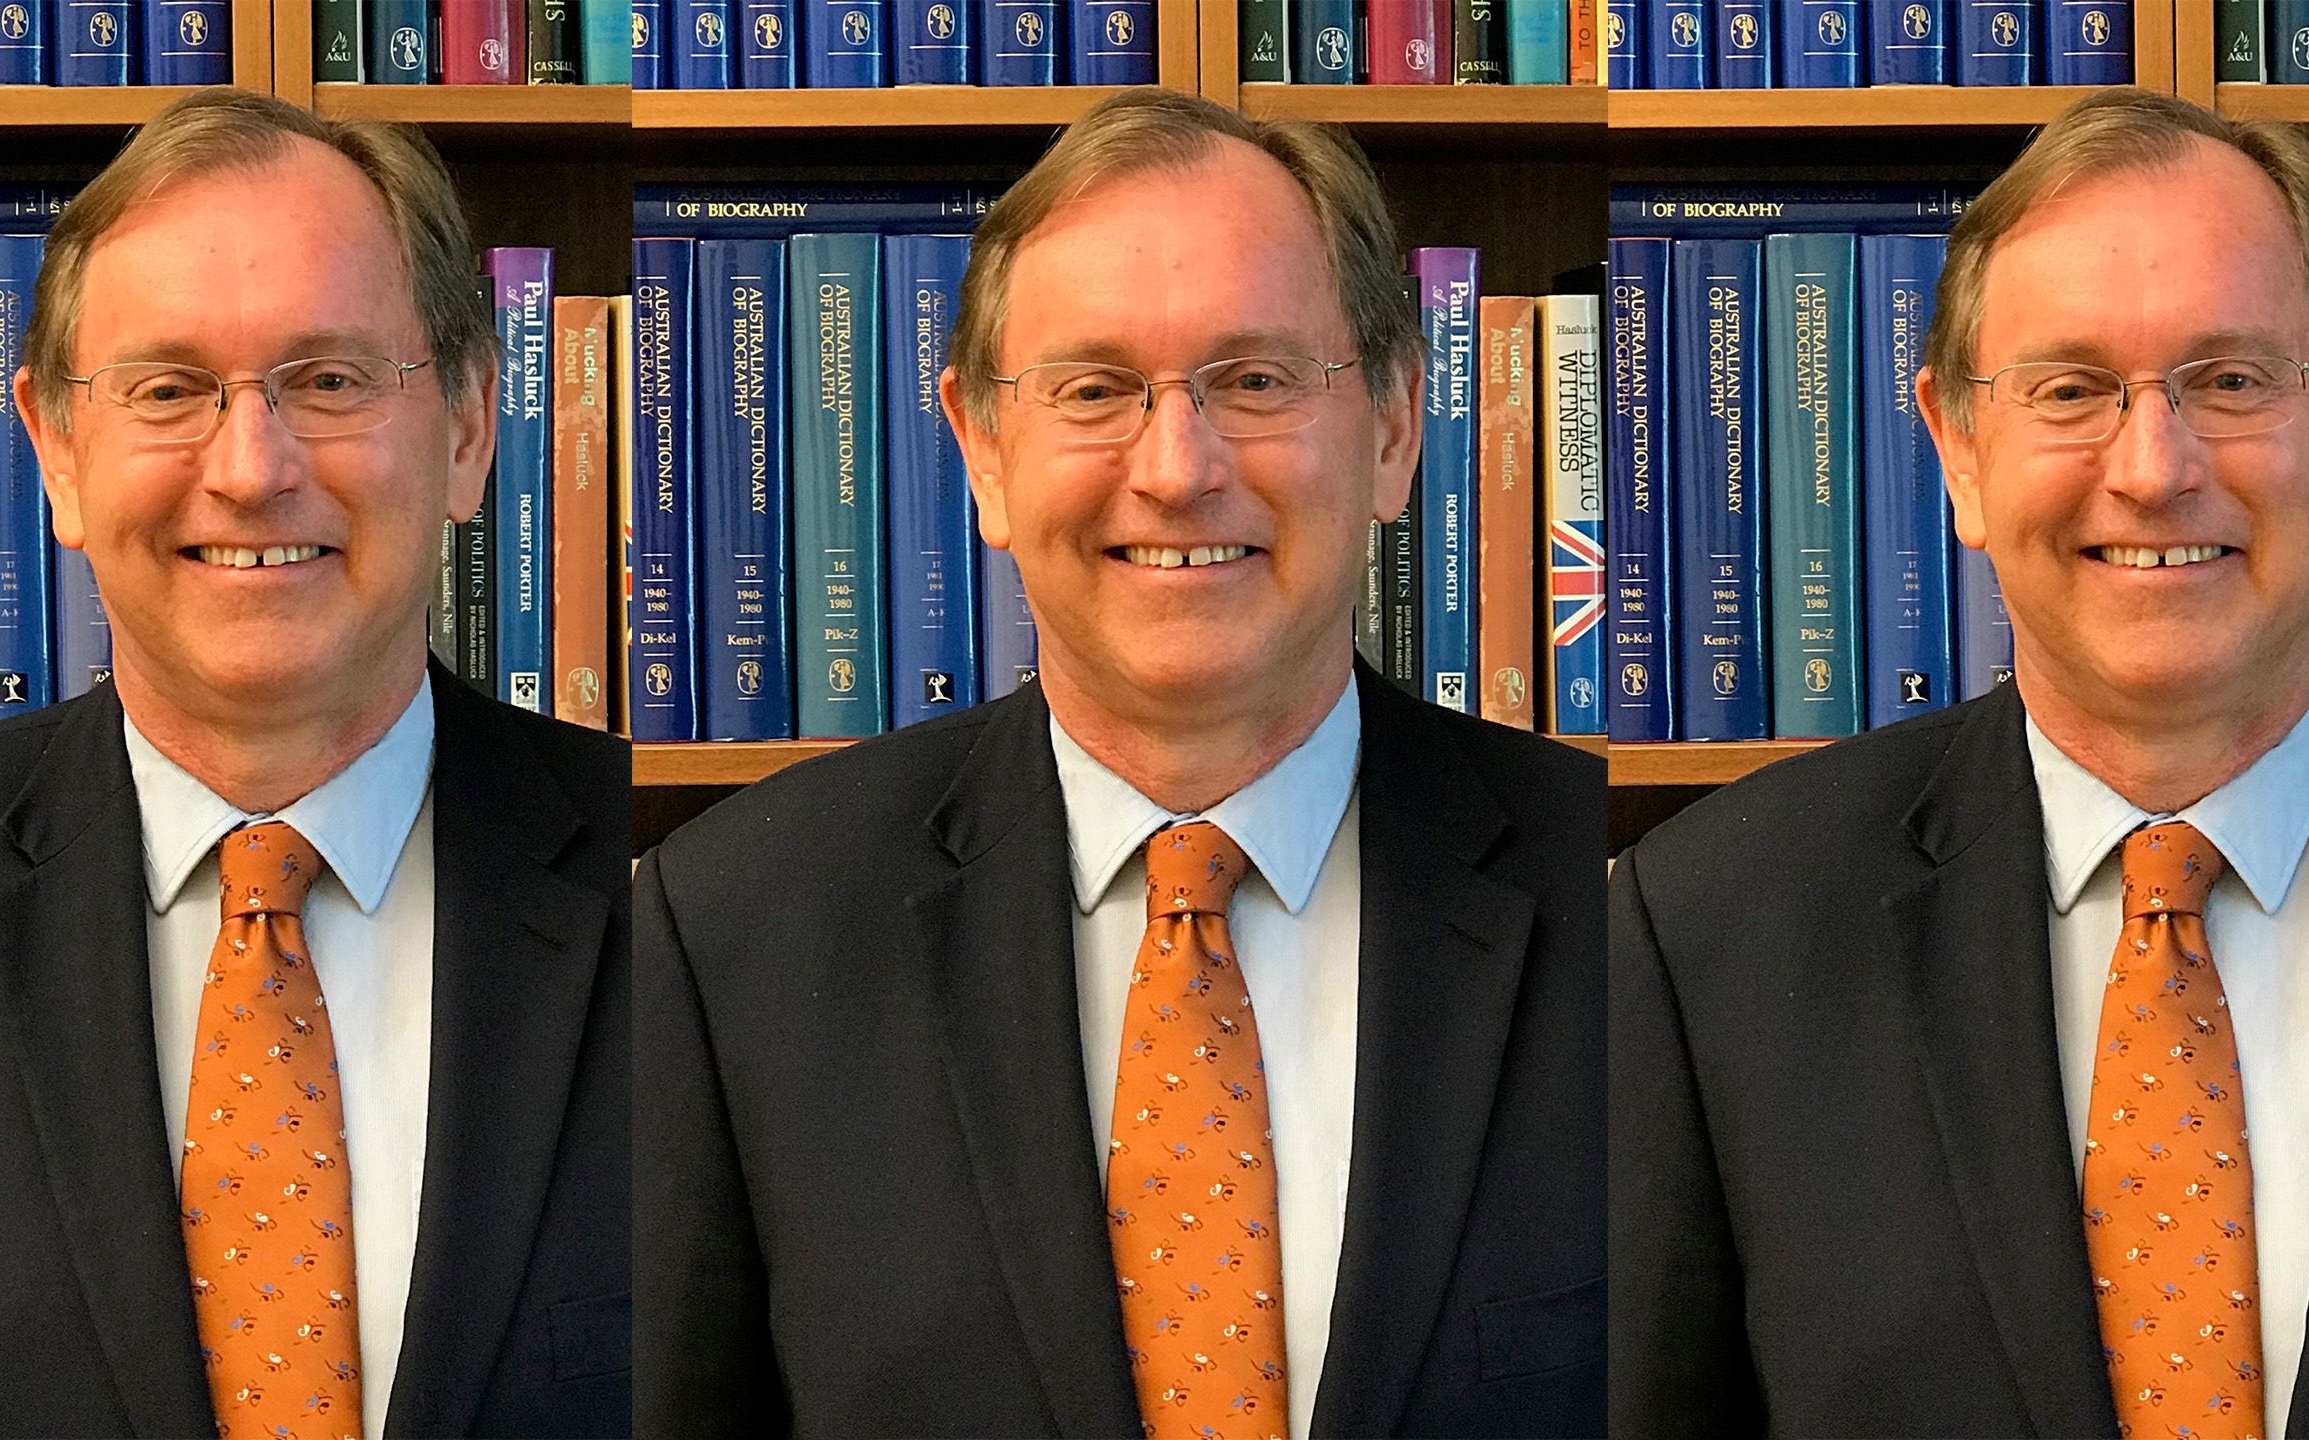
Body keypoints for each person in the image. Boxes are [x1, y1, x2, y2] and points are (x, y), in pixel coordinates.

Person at [635, 88, 1602, 1438]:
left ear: (1391, 426)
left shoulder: (1622, 906)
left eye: (1255, 381)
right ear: (980, 446)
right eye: (1095, 391)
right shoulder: (731, 930)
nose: (1175, 468)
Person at [1611, 88, 2309, 1438]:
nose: (2152, 468)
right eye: (2072, 391)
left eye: (2230, 380)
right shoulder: (1705, 934)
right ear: (1956, 449)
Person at [0, 90, 629, 1437]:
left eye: (330, 381)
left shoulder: (690, 907)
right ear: (55, 447)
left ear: (468, 426)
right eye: (169, 390)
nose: (252, 467)